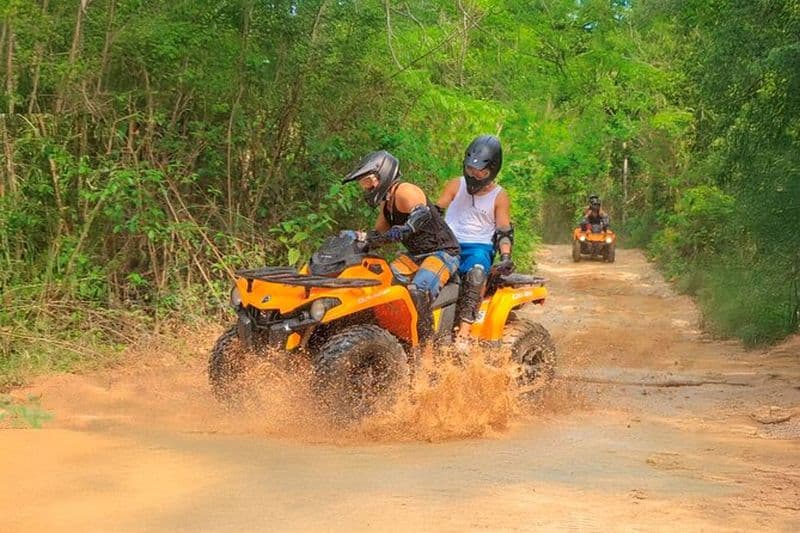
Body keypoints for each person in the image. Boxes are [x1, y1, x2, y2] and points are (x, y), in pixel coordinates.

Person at [342, 150, 460, 342]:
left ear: (382, 174)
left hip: (442, 253)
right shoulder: (386, 205)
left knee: (418, 290)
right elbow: (377, 234)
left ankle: (427, 348)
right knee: (382, 282)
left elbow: (418, 218)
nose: (367, 187)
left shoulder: (406, 191)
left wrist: (395, 232)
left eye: (368, 181)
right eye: (363, 183)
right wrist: (356, 238)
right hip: (414, 255)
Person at [435, 135, 514, 348]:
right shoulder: (456, 184)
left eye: (481, 171)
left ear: (492, 171)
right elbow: (437, 209)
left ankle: (464, 333)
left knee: (476, 274)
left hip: (479, 247)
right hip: (448, 243)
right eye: (470, 169)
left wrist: (506, 256)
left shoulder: (499, 195)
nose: (474, 175)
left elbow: (503, 230)